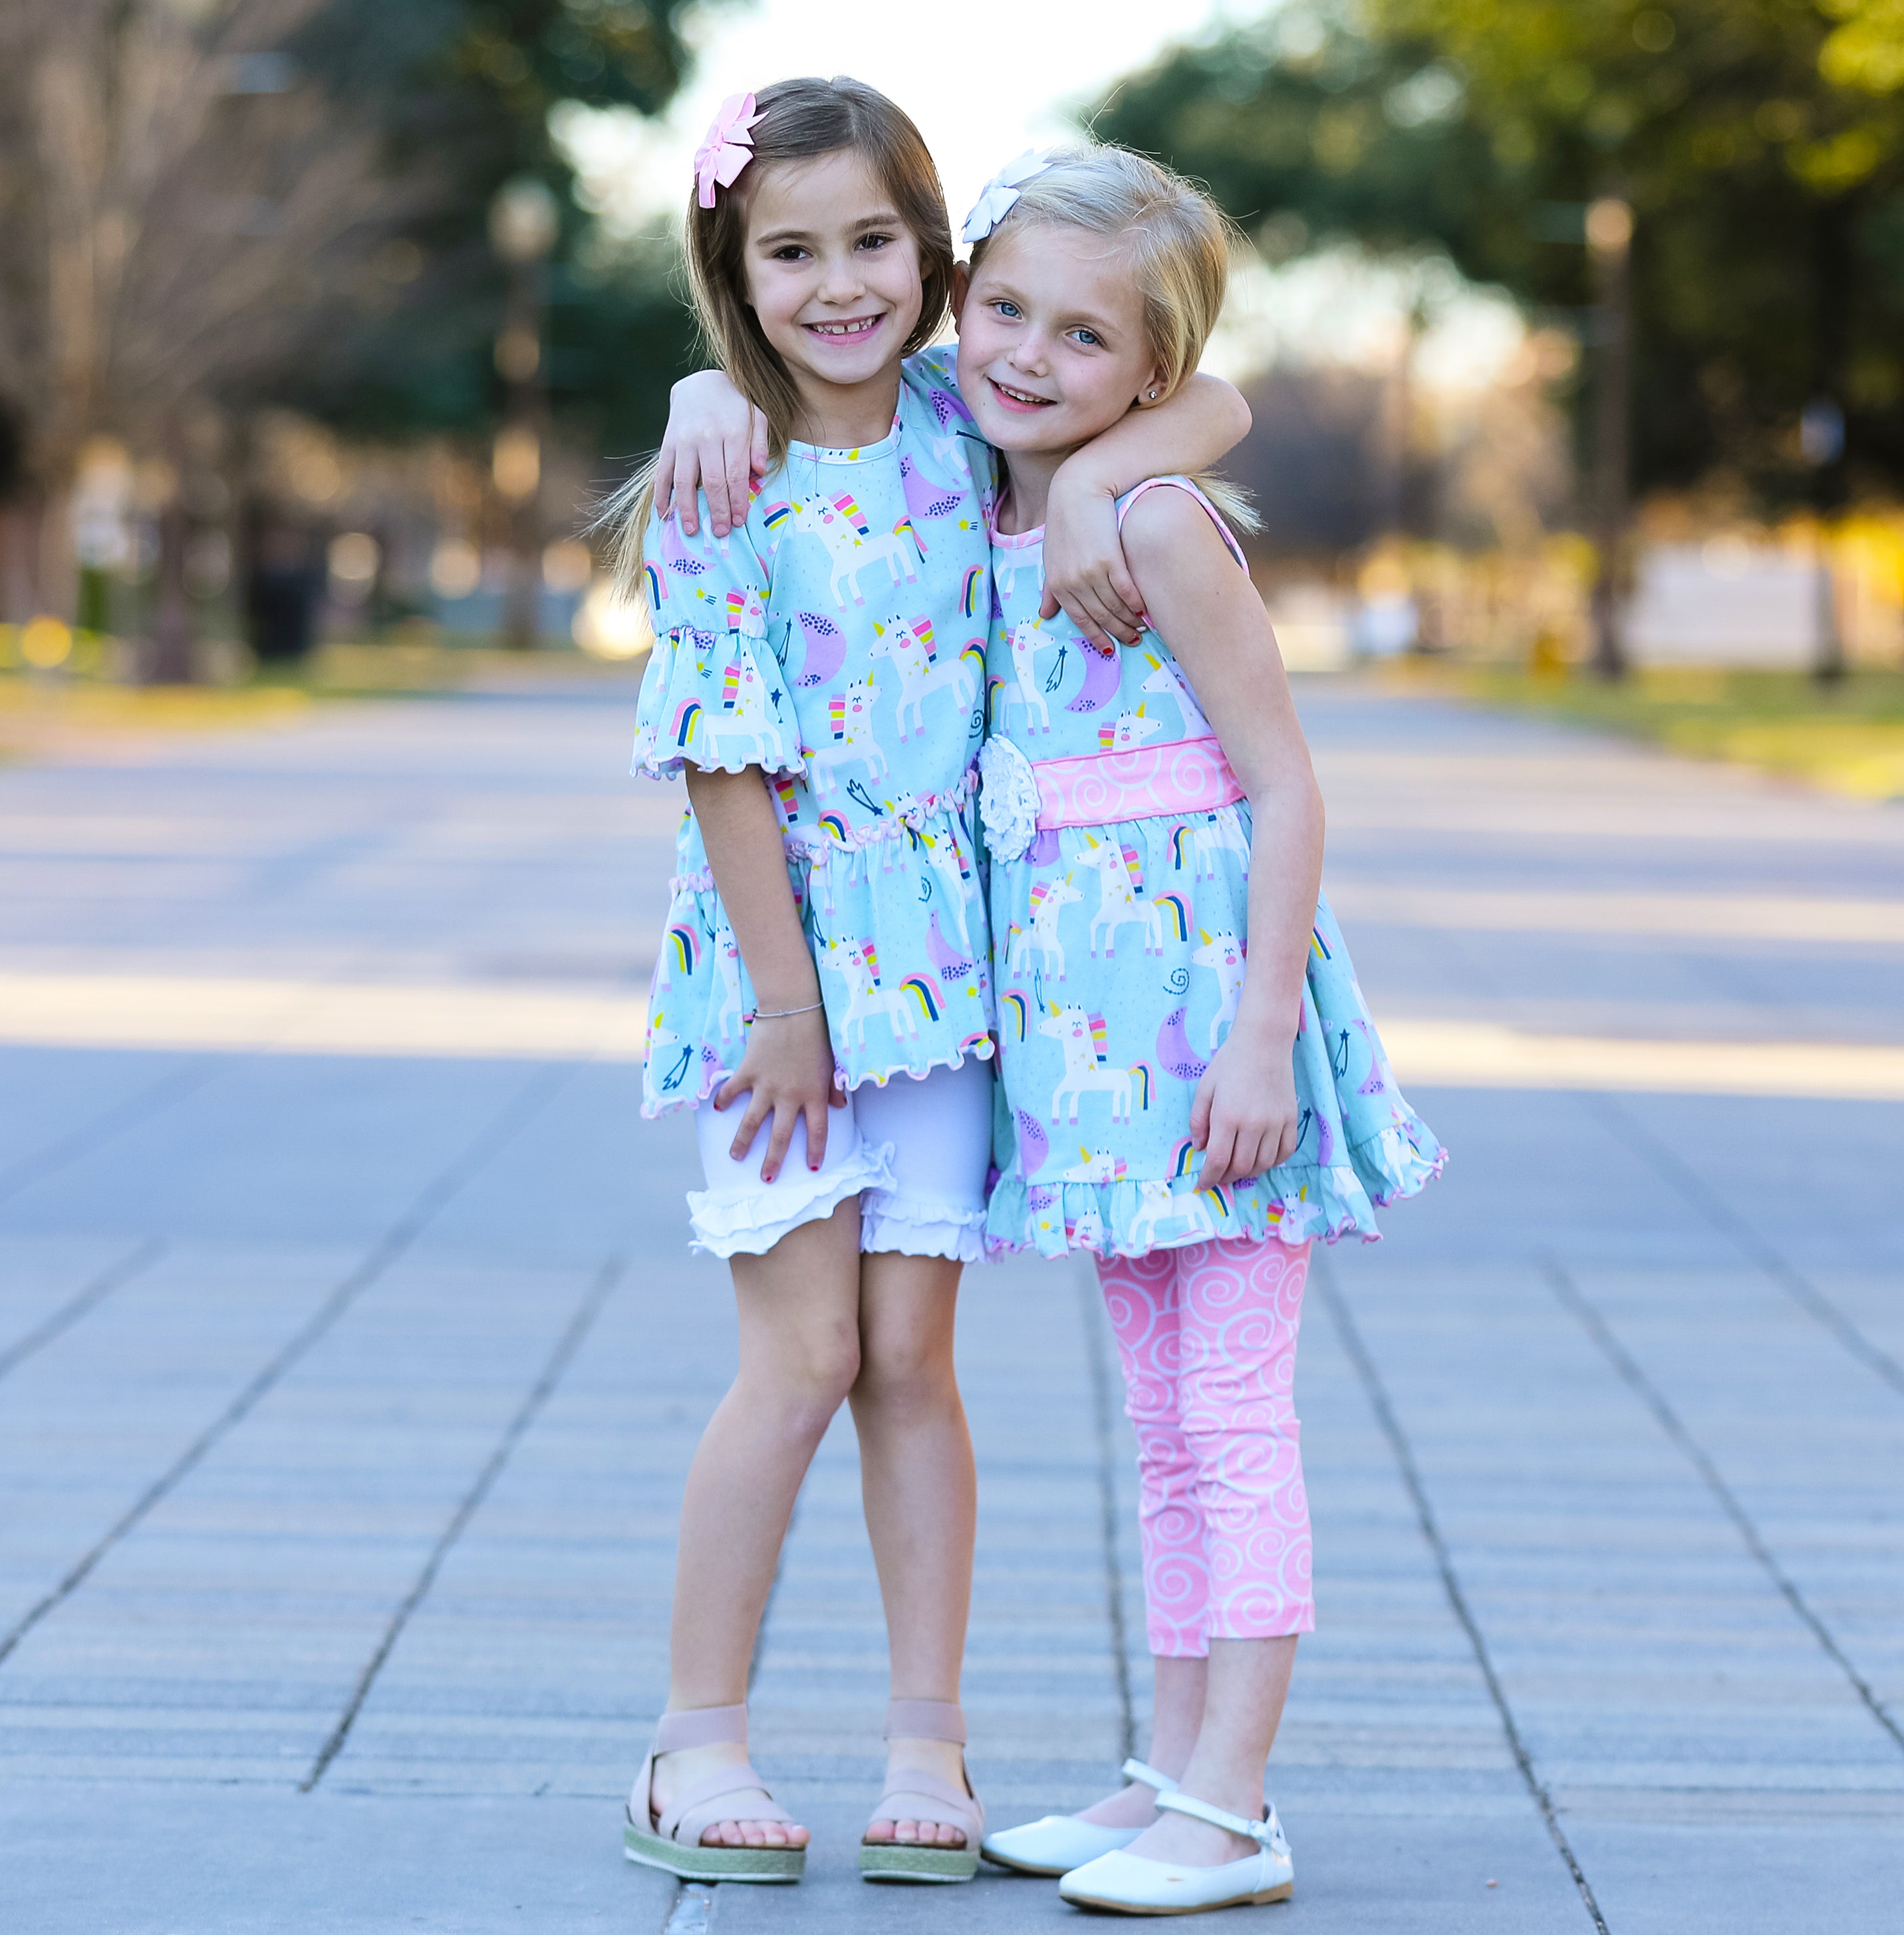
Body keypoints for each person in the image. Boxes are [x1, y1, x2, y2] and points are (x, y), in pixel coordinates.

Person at [609, 79, 1250, 1886]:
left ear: (939, 257)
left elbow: (1209, 389)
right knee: (799, 1357)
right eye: (789, 252)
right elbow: (720, 753)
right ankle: (695, 1738)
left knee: (912, 1364)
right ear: (737, 270)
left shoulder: (975, 425)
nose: (838, 286)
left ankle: (927, 1744)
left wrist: (1113, 473)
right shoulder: (721, 472)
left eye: (874, 243)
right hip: (782, 989)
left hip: (953, 991)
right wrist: (788, 1006)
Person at [954, 148, 1446, 1916]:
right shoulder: (994, 486)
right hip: (1093, 1049)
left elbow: (1287, 790)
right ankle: (1168, 1772)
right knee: (1161, 1422)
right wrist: (1088, 463)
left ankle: (1235, 1809)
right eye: (1001, 306)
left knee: (1232, 1415)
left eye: (1083, 339)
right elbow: (795, 364)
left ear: (1144, 378)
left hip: (1207, 1038)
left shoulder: (1161, 525)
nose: (1026, 351)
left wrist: (1256, 1039)